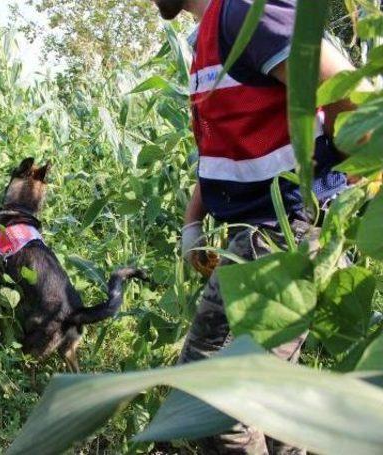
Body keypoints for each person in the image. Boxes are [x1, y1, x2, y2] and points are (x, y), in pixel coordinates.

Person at [150, 0, 356, 453]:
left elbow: (351, 98)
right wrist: (193, 222)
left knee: (210, 404)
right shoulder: (213, 36)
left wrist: (347, 197)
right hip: (267, 232)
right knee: (272, 400)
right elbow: (226, 146)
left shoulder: (247, 11)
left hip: (283, 230)